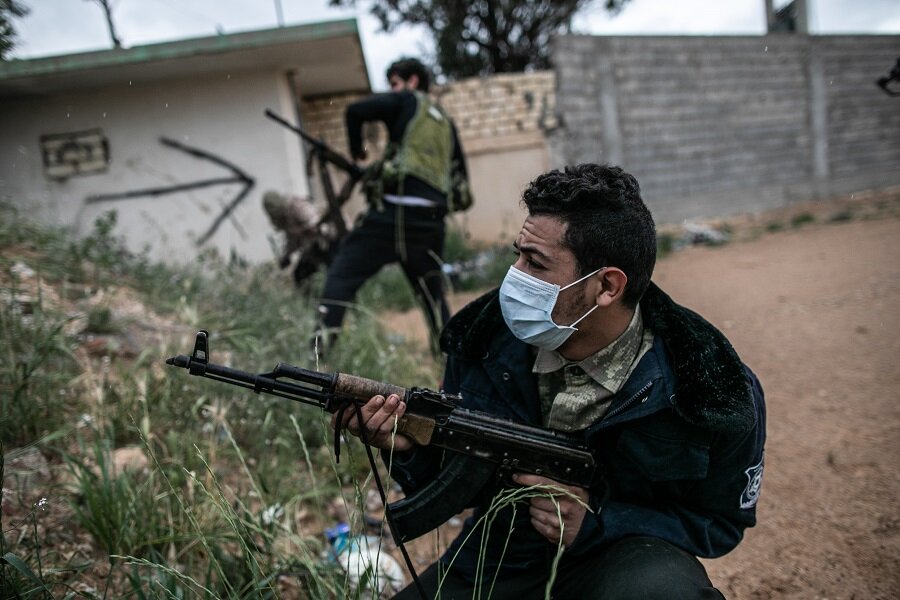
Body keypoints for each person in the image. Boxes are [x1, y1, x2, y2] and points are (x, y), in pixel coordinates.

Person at [336, 163, 767, 599]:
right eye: (518, 253)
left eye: (535, 262)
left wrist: (597, 522)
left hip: (622, 558)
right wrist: (406, 448)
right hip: (502, 553)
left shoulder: (710, 386)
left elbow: (720, 523)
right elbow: (458, 482)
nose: (514, 276)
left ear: (607, 287)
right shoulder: (483, 340)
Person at [316, 57, 470, 353]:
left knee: (341, 276)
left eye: (395, 84)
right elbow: (459, 176)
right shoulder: (446, 123)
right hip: (430, 221)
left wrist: (357, 151)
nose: (393, 91)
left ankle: (319, 354)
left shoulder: (406, 101)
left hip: (392, 217)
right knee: (432, 295)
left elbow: (355, 111)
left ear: (412, 82)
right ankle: (451, 360)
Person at [262, 190, 337, 287]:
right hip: (313, 249)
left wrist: (305, 231)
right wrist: (286, 256)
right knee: (300, 275)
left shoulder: (296, 206)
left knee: (334, 272)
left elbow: (317, 223)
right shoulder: (283, 219)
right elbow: (292, 240)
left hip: (328, 241)